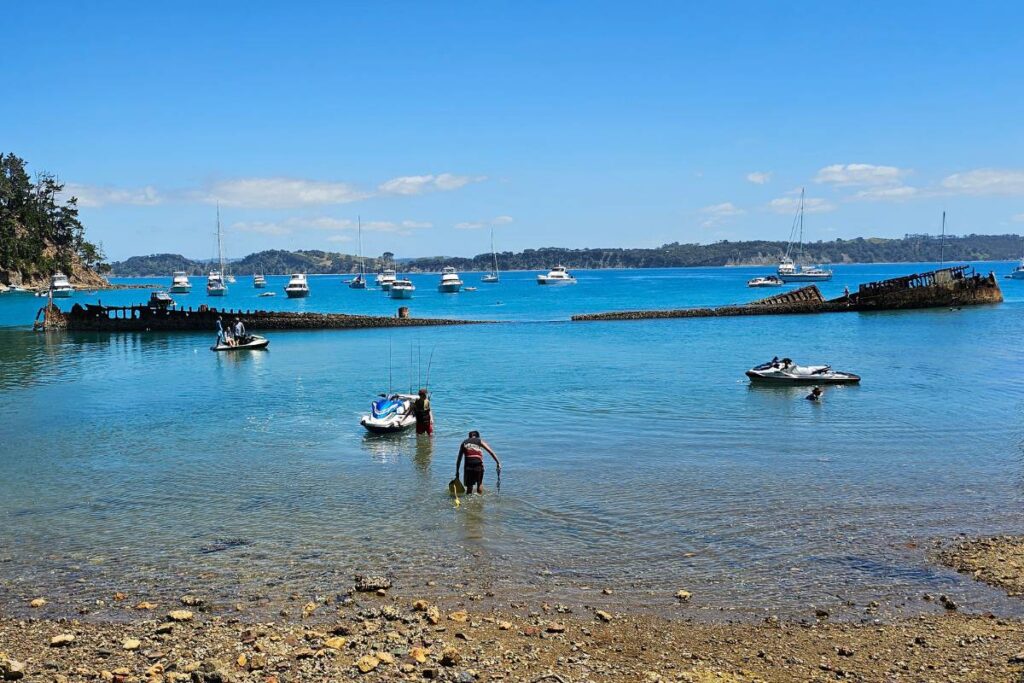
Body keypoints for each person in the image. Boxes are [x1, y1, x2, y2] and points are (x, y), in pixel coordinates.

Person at [456, 430, 501, 494]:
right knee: (479, 483)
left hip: (468, 466)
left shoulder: (464, 443)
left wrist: (457, 472)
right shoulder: (479, 441)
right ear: (477, 436)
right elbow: (491, 452)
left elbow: (459, 459)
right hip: (478, 465)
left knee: (469, 486)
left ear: (469, 437)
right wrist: (498, 463)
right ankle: (479, 500)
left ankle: (469, 501)